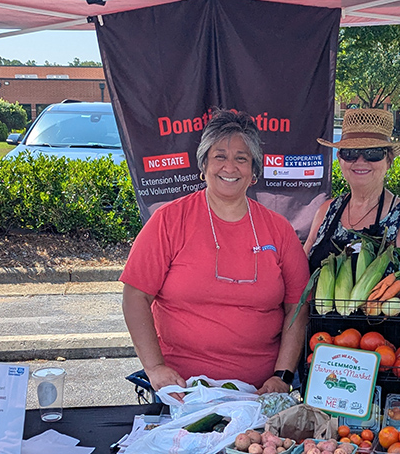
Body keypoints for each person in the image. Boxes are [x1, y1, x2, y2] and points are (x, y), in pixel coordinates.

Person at [121, 110, 310, 394]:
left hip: (258, 391)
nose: (229, 167)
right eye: (219, 156)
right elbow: (135, 295)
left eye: (241, 158)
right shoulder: (169, 220)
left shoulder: (279, 230)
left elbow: (298, 306)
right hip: (182, 390)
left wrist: (281, 376)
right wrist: (155, 368)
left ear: (254, 171)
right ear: (204, 164)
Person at [304, 108, 400, 342]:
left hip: (384, 362)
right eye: (351, 153)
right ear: (340, 159)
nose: (360, 161)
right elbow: (299, 275)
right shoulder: (327, 211)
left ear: (389, 160)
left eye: (372, 153)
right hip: (319, 354)